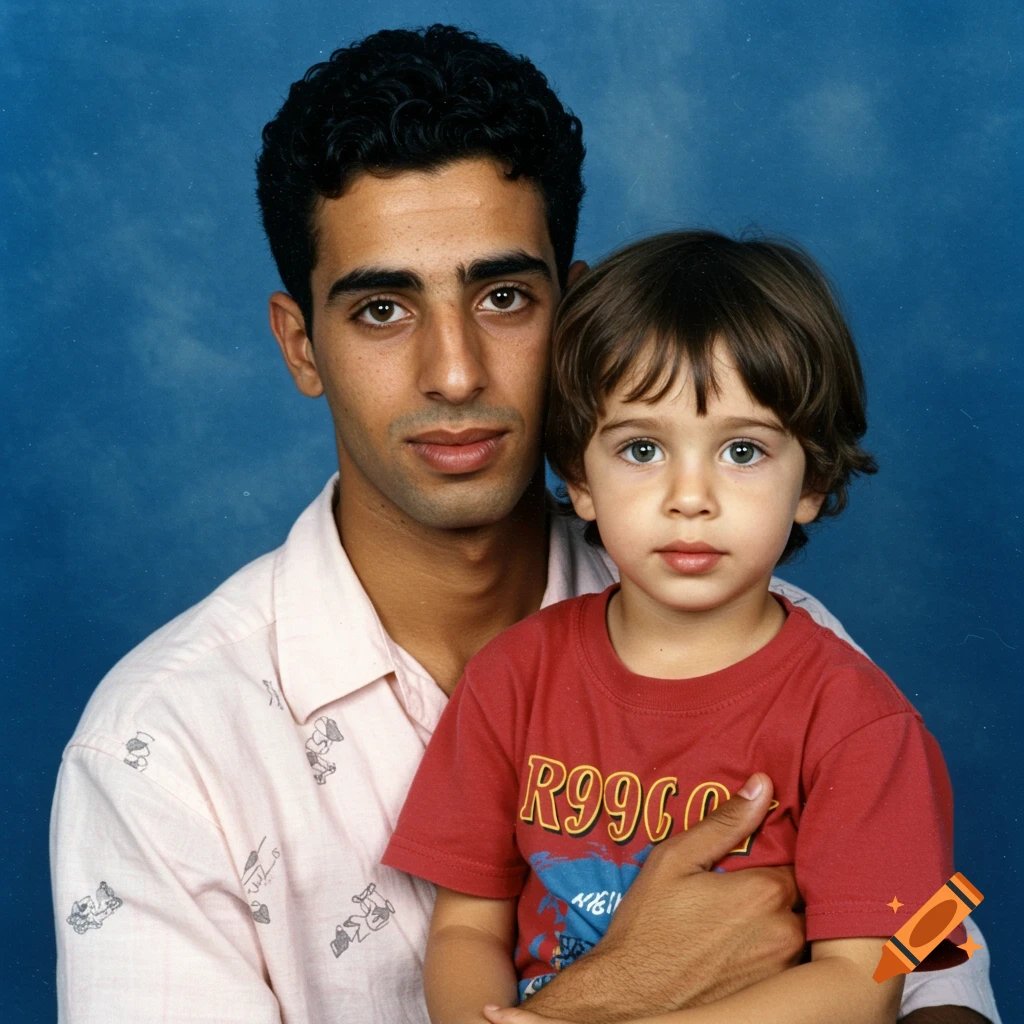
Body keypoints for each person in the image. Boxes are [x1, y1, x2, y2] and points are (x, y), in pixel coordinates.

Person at [49, 25, 999, 1024]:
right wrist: (612, 992)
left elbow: (932, 975)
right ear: (301, 344)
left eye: (504, 296)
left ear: (576, 317)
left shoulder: (790, 641)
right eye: (381, 309)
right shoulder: (159, 748)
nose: (453, 372)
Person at [382, 230, 978, 1024]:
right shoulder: (512, 678)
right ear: (579, 478)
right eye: (640, 448)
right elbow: (464, 929)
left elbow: (862, 987)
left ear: (814, 479)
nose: (688, 496)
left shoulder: (858, 724)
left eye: (741, 449)